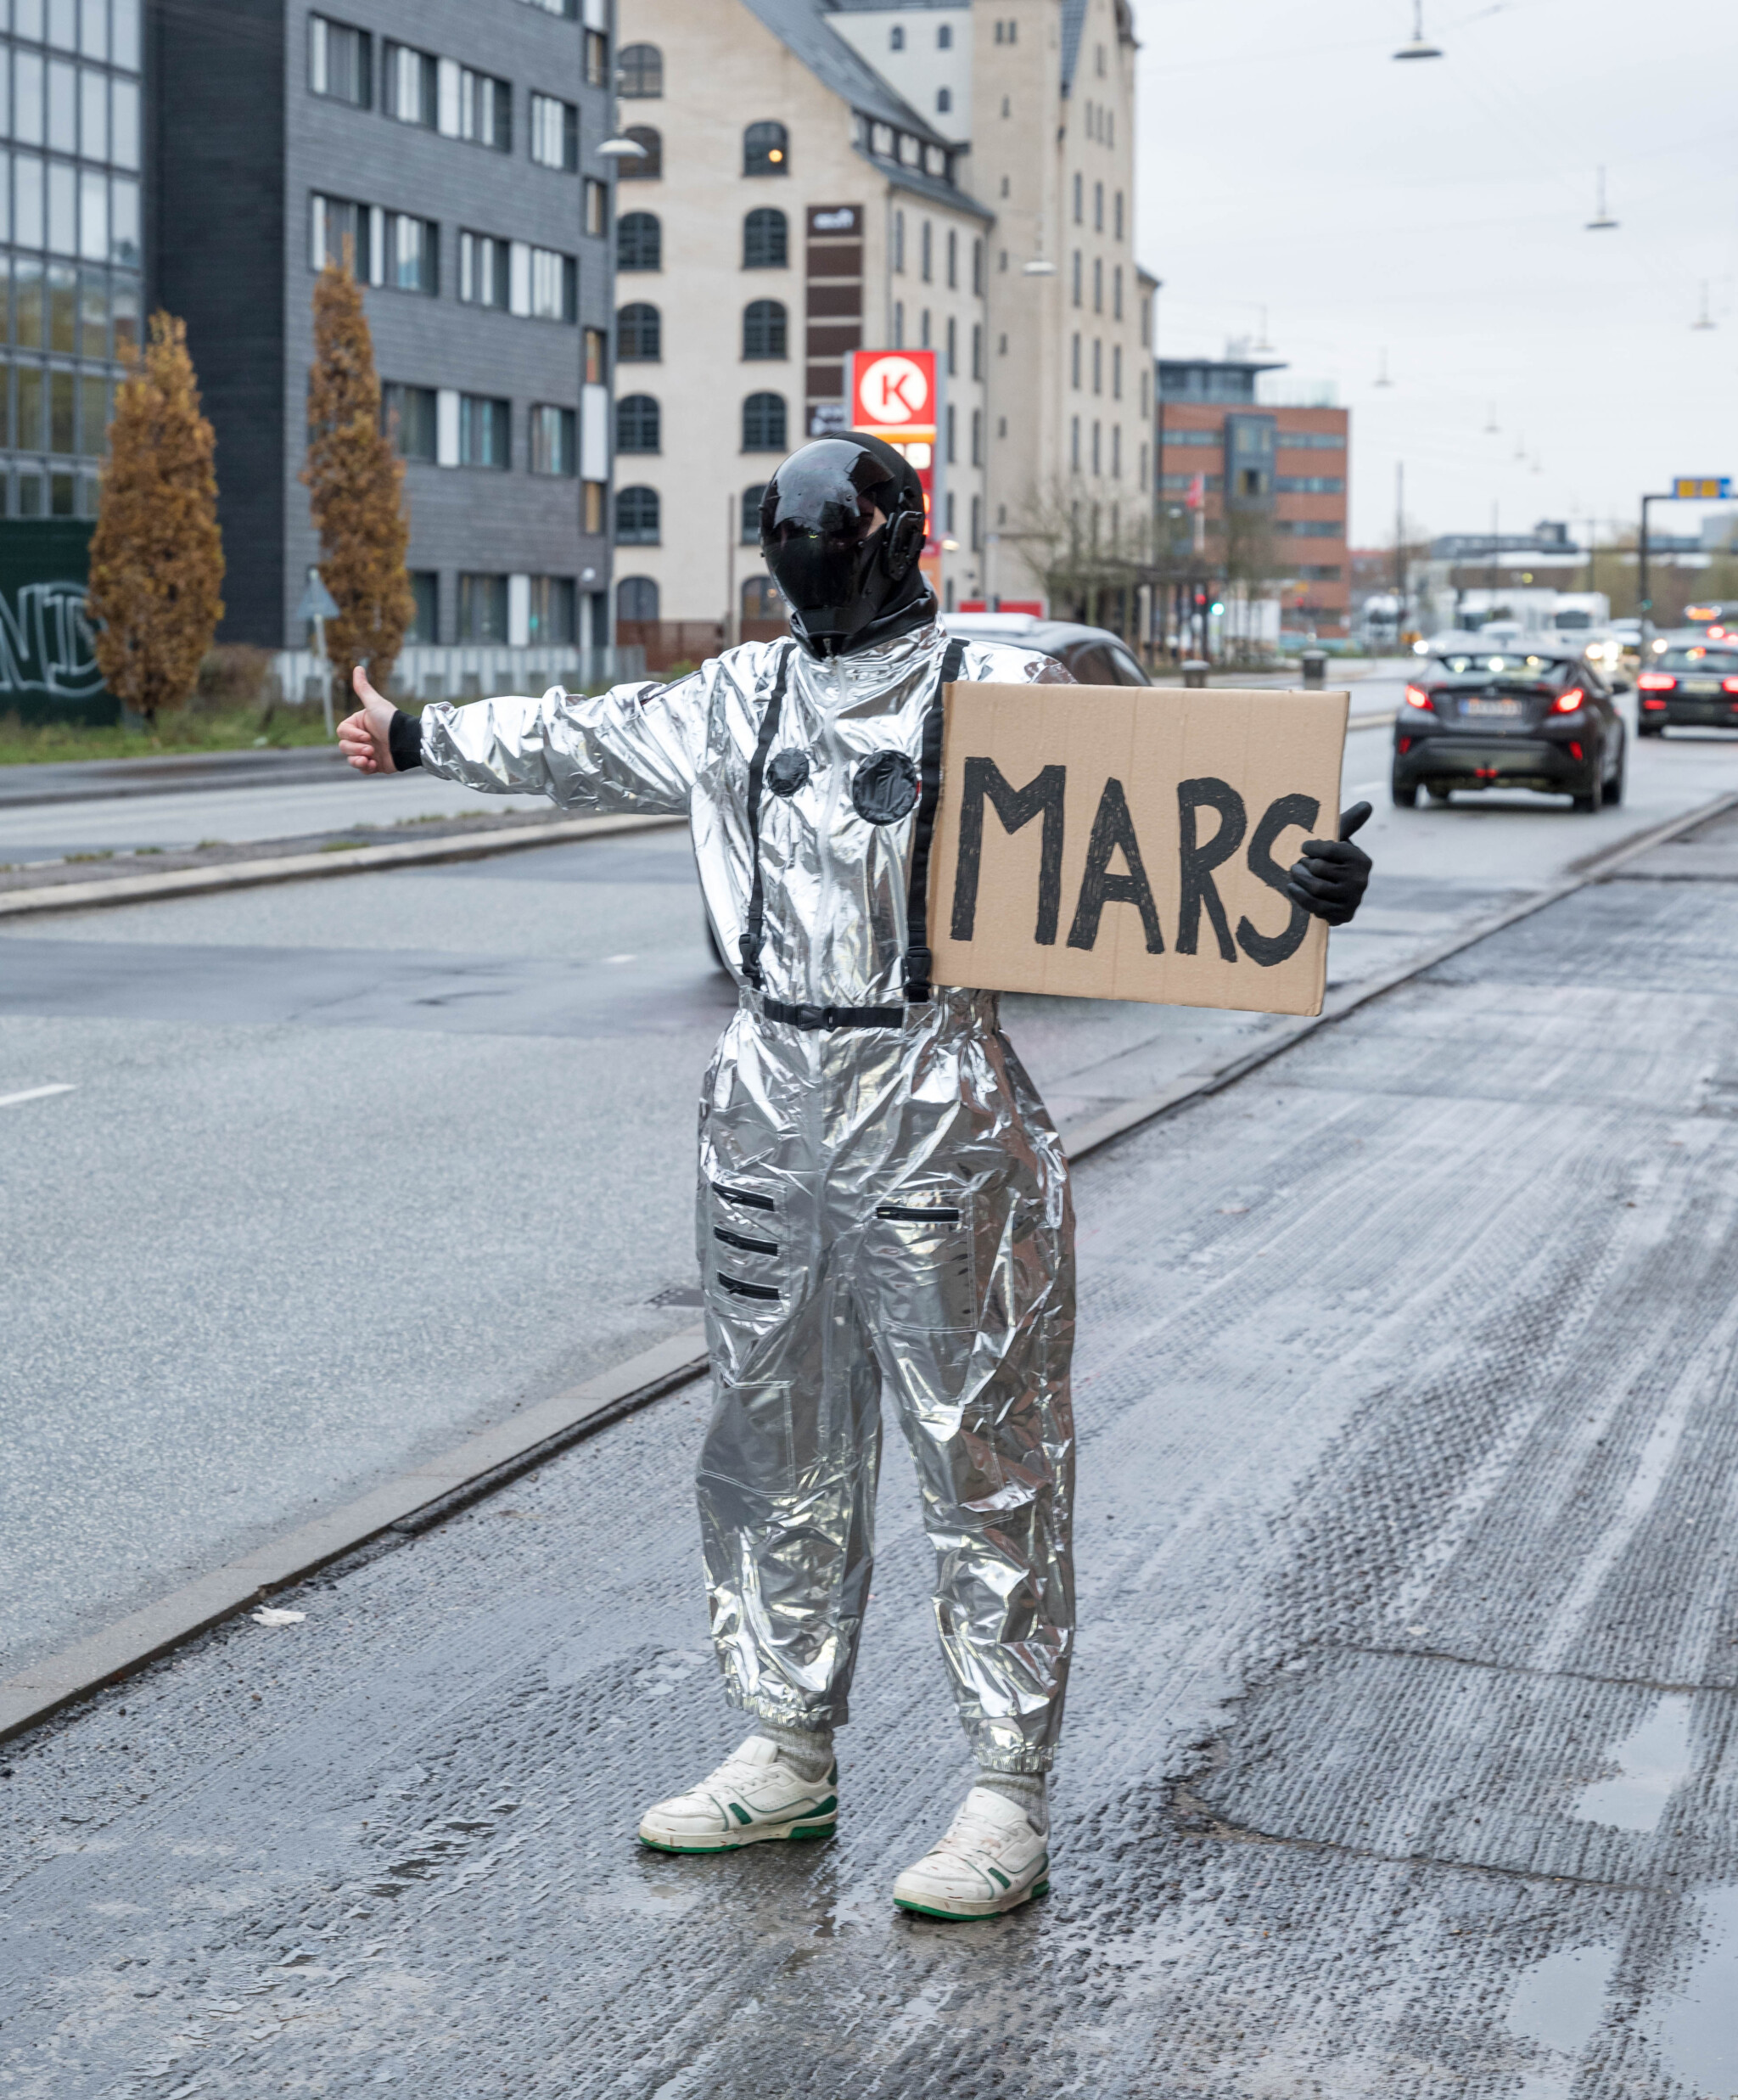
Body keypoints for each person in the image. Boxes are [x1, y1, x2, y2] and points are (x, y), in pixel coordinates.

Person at [339, 432, 1371, 1921]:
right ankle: (785, 1744)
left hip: (935, 1092)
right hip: (766, 1099)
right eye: (791, 552)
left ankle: (1007, 1784)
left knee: (984, 1451)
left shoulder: (1004, 698)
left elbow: (1167, 826)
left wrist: (1301, 877)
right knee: (771, 1441)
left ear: (900, 538)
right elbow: (579, 733)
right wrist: (425, 736)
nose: (813, 579)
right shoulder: (742, 693)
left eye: (834, 546)